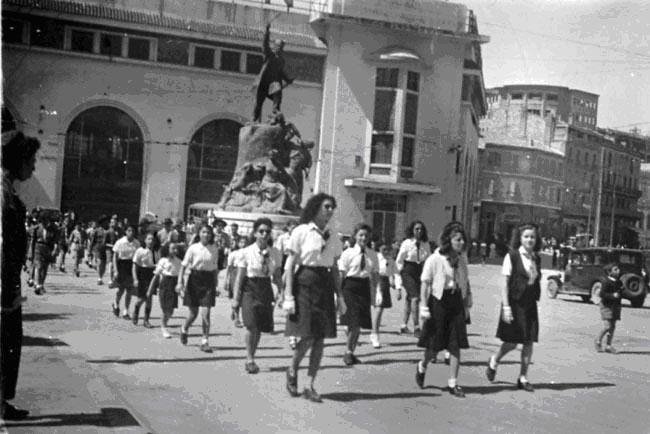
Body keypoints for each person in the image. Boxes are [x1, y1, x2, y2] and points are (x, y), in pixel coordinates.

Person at [282, 193, 346, 403]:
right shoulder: (302, 231)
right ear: (316, 207)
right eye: (327, 206)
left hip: (325, 283)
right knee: (307, 334)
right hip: (305, 282)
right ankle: (292, 369)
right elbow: (290, 265)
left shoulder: (333, 234)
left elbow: (335, 267)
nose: (330, 211)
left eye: (332, 208)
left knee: (320, 337)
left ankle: (310, 385)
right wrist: (288, 295)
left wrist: (340, 296)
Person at [1, 132, 39, 420]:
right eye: (32, 160)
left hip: (8, 280)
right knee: (6, 342)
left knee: (10, 342)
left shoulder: (8, 190)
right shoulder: (2, 193)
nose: (34, 166)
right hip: (2, 285)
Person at [416, 222, 472, 397]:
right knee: (435, 345)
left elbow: (465, 281)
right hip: (439, 301)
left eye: (463, 239)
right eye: (457, 239)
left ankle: (453, 383)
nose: (461, 242)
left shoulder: (462, 259)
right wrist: (424, 307)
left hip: (456, 302)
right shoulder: (435, 259)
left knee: (455, 344)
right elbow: (425, 283)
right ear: (448, 240)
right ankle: (422, 365)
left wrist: (467, 302)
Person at [486, 223, 542, 392]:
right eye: (526, 236)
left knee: (528, 341)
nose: (529, 240)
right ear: (520, 238)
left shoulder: (536, 258)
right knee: (510, 342)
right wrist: (506, 307)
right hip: (514, 304)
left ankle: (523, 377)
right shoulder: (512, 256)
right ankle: (494, 360)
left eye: (532, 236)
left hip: (530, 304)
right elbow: (504, 283)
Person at [231, 218, 282, 374]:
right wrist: (235, 298)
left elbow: (277, 276)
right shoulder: (246, 252)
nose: (264, 234)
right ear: (255, 233)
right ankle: (249, 358)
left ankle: (252, 356)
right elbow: (240, 277)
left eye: (267, 231)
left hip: (265, 289)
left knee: (259, 327)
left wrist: (282, 292)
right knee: (251, 324)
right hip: (249, 289)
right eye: (261, 231)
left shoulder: (275, 253)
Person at [338, 223, 378, 365]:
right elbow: (341, 274)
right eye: (361, 235)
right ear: (355, 236)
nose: (363, 238)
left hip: (364, 288)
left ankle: (351, 352)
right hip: (349, 287)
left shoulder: (373, 255)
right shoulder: (348, 253)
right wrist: (338, 294)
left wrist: (376, 294)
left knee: (358, 323)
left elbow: (375, 275)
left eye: (366, 235)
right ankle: (348, 352)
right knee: (354, 322)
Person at [177, 224, 220, 353]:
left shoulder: (214, 249)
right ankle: (184, 329)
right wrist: (180, 282)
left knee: (206, 313)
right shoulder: (193, 248)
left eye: (208, 232)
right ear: (199, 233)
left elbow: (214, 268)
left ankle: (205, 341)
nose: (206, 235)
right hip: (194, 279)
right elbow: (183, 266)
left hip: (208, 281)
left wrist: (216, 284)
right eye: (203, 232)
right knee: (193, 314)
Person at [252, 23, 294, 122]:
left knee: (278, 91)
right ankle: (254, 118)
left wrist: (288, 79)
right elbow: (265, 44)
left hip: (272, 85)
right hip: (263, 84)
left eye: (282, 47)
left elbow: (280, 72)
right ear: (275, 47)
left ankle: (275, 112)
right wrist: (267, 31)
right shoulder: (269, 55)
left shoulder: (281, 60)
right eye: (279, 46)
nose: (280, 49)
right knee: (258, 102)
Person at [395, 220, 431, 336]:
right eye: (416, 229)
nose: (419, 231)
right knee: (415, 298)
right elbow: (399, 261)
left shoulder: (426, 244)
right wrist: (398, 282)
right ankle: (416, 327)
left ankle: (404, 325)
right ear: (412, 230)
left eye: (421, 229)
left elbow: (429, 261)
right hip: (408, 271)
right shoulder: (407, 243)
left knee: (410, 299)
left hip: (420, 271)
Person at [148, 242, 182, 338]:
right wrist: (150, 289)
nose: (175, 250)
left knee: (171, 310)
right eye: (173, 248)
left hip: (174, 285)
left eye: (176, 248)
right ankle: (163, 327)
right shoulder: (163, 261)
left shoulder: (179, 261)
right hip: (165, 284)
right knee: (165, 308)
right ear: (167, 250)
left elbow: (180, 276)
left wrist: (181, 288)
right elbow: (156, 276)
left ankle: (165, 322)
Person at [370, 241, 398, 349]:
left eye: (388, 249)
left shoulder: (390, 260)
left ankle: (374, 333)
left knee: (379, 309)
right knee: (377, 309)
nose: (386, 251)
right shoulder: (375, 258)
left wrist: (395, 284)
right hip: (376, 281)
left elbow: (392, 273)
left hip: (384, 283)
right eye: (383, 249)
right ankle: (374, 333)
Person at [111, 225, 140, 319]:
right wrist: (115, 270)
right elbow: (115, 257)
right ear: (126, 232)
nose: (131, 232)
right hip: (121, 266)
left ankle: (126, 311)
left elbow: (138, 257)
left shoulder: (137, 243)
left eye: (132, 231)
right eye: (129, 230)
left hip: (131, 266)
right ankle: (116, 303)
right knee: (120, 289)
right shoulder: (120, 242)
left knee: (129, 290)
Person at [595, 262, 622, 353]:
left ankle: (608, 345)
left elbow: (620, 292)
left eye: (618, 269)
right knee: (607, 326)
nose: (618, 271)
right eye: (615, 269)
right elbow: (602, 294)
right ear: (609, 272)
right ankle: (598, 341)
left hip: (615, 306)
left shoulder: (619, 282)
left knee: (613, 326)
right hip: (606, 305)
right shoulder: (606, 282)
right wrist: (612, 295)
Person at [132, 232, 157, 328]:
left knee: (149, 298)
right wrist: (135, 279)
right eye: (149, 239)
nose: (151, 241)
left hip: (152, 274)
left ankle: (146, 320)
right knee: (141, 298)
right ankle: (136, 311)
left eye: (152, 239)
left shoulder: (156, 251)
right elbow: (134, 266)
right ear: (145, 240)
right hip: (142, 274)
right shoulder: (140, 251)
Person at [225, 236, 248, 328]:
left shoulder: (249, 253)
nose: (243, 244)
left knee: (245, 297)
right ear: (238, 243)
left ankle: (235, 311)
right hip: (235, 275)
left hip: (246, 275)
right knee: (236, 296)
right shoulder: (234, 253)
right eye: (241, 242)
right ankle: (237, 318)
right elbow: (229, 267)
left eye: (245, 242)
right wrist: (227, 280)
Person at [31, 215, 57, 295]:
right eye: (45, 221)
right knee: (38, 266)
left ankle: (41, 284)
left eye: (48, 221)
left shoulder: (53, 229)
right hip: (38, 247)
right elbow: (33, 241)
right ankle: (37, 284)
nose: (47, 223)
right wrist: (30, 253)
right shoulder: (36, 228)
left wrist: (54, 252)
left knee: (44, 269)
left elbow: (55, 241)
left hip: (48, 248)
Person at [90, 215, 109, 285]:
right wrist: (89, 250)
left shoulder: (108, 230)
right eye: (105, 221)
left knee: (103, 265)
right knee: (100, 262)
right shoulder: (96, 231)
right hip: (97, 248)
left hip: (105, 249)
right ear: (102, 222)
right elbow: (92, 241)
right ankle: (99, 278)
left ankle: (101, 276)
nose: (107, 222)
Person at [105, 215, 121, 287]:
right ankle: (110, 280)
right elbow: (104, 243)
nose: (114, 223)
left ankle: (116, 280)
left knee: (118, 265)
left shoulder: (121, 230)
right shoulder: (108, 232)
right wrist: (112, 246)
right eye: (112, 222)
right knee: (111, 265)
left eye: (115, 222)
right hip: (110, 250)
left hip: (119, 251)